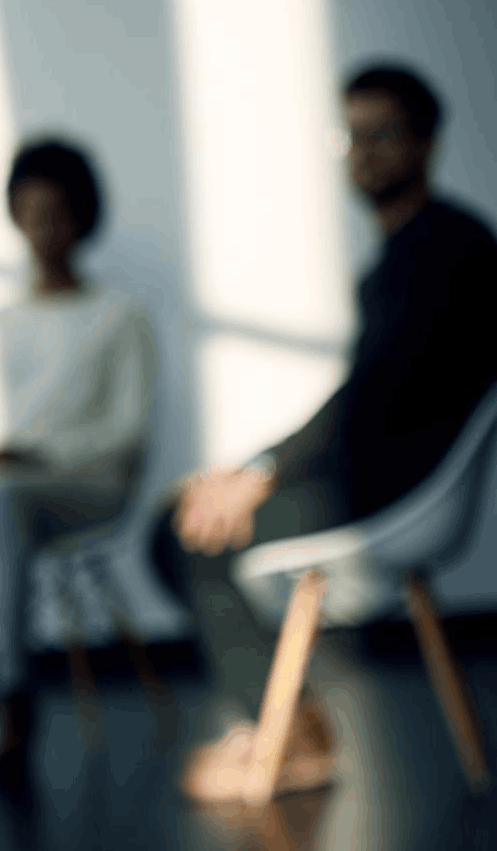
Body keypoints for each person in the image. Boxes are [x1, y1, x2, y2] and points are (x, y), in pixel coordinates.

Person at [153, 63, 497, 802]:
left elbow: (372, 400)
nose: (365, 151)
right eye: (352, 134)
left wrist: (258, 472)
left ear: (427, 143)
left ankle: (290, 736)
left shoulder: (447, 249)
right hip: (375, 475)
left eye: (384, 133)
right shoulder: (410, 251)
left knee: (190, 530)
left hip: (395, 490)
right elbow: (365, 406)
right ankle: (289, 724)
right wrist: (251, 469)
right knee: (188, 513)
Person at [0, 139, 156, 786]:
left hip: (90, 485)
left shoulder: (119, 316)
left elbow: (126, 430)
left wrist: (35, 455)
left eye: (59, 212)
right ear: (15, 217)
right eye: (31, 212)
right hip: (7, 494)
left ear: (83, 218)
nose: (45, 229)